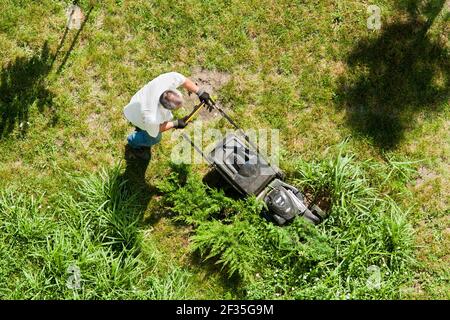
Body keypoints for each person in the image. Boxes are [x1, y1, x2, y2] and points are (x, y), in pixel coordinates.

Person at [123, 72, 212, 160]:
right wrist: (175, 123)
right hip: (135, 114)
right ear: (166, 107)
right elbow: (157, 130)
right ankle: (133, 142)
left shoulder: (166, 81)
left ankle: (141, 130)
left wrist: (199, 92)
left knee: (150, 129)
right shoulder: (152, 117)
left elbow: (182, 80)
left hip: (139, 101)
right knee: (155, 138)